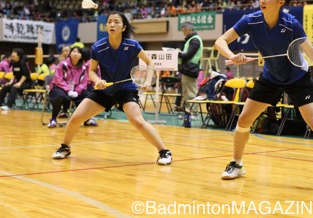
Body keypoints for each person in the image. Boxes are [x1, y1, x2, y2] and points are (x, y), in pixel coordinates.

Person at [214, 0, 313, 195]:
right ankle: (237, 164)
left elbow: (311, 52)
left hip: (297, 77)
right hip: (271, 77)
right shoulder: (250, 21)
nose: (262, 0)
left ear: (280, 2)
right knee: (243, 120)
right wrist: (232, 55)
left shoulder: (291, 24)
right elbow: (220, 41)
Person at [52, 12, 172, 165]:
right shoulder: (98, 47)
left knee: (137, 121)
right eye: (109, 22)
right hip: (105, 90)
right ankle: (65, 147)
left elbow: (149, 62)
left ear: (123, 27)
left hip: (126, 90)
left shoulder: (132, 45)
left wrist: (148, 81)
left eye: (116, 22)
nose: (112, 25)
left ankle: (164, 151)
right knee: (76, 118)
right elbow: (91, 71)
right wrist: (98, 80)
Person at [47, 46, 95, 128]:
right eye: (74, 51)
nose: (76, 54)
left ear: (81, 56)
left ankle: (86, 119)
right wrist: (68, 90)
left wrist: (77, 91)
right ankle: (53, 119)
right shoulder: (63, 64)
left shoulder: (83, 68)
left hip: (75, 90)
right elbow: (58, 79)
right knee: (59, 96)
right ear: (70, 54)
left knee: (88, 96)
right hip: (60, 87)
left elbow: (83, 83)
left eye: (78, 52)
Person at [178, 22, 203, 128]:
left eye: (184, 31)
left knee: (192, 92)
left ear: (189, 30)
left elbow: (188, 55)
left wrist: (177, 53)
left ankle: (194, 113)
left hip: (190, 69)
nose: (183, 33)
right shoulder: (191, 40)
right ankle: (187, 112)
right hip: (186, 69)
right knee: (186, 93)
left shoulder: (195, 40)